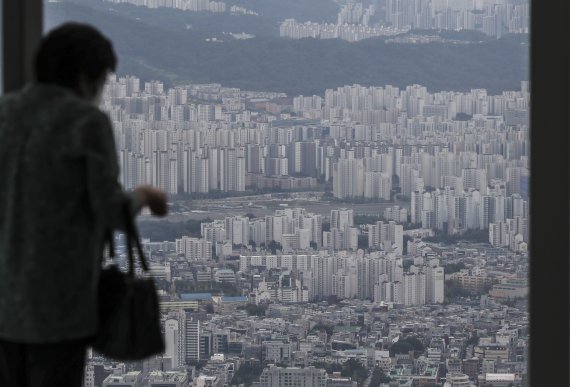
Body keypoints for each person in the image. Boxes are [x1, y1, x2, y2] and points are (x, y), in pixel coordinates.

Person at [0, 23, 167, 386]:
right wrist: (145, 196)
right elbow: (110, 209)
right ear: (83, 77)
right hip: (58, 307)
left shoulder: (4, 112)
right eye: (101, 81)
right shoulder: (86, 123)